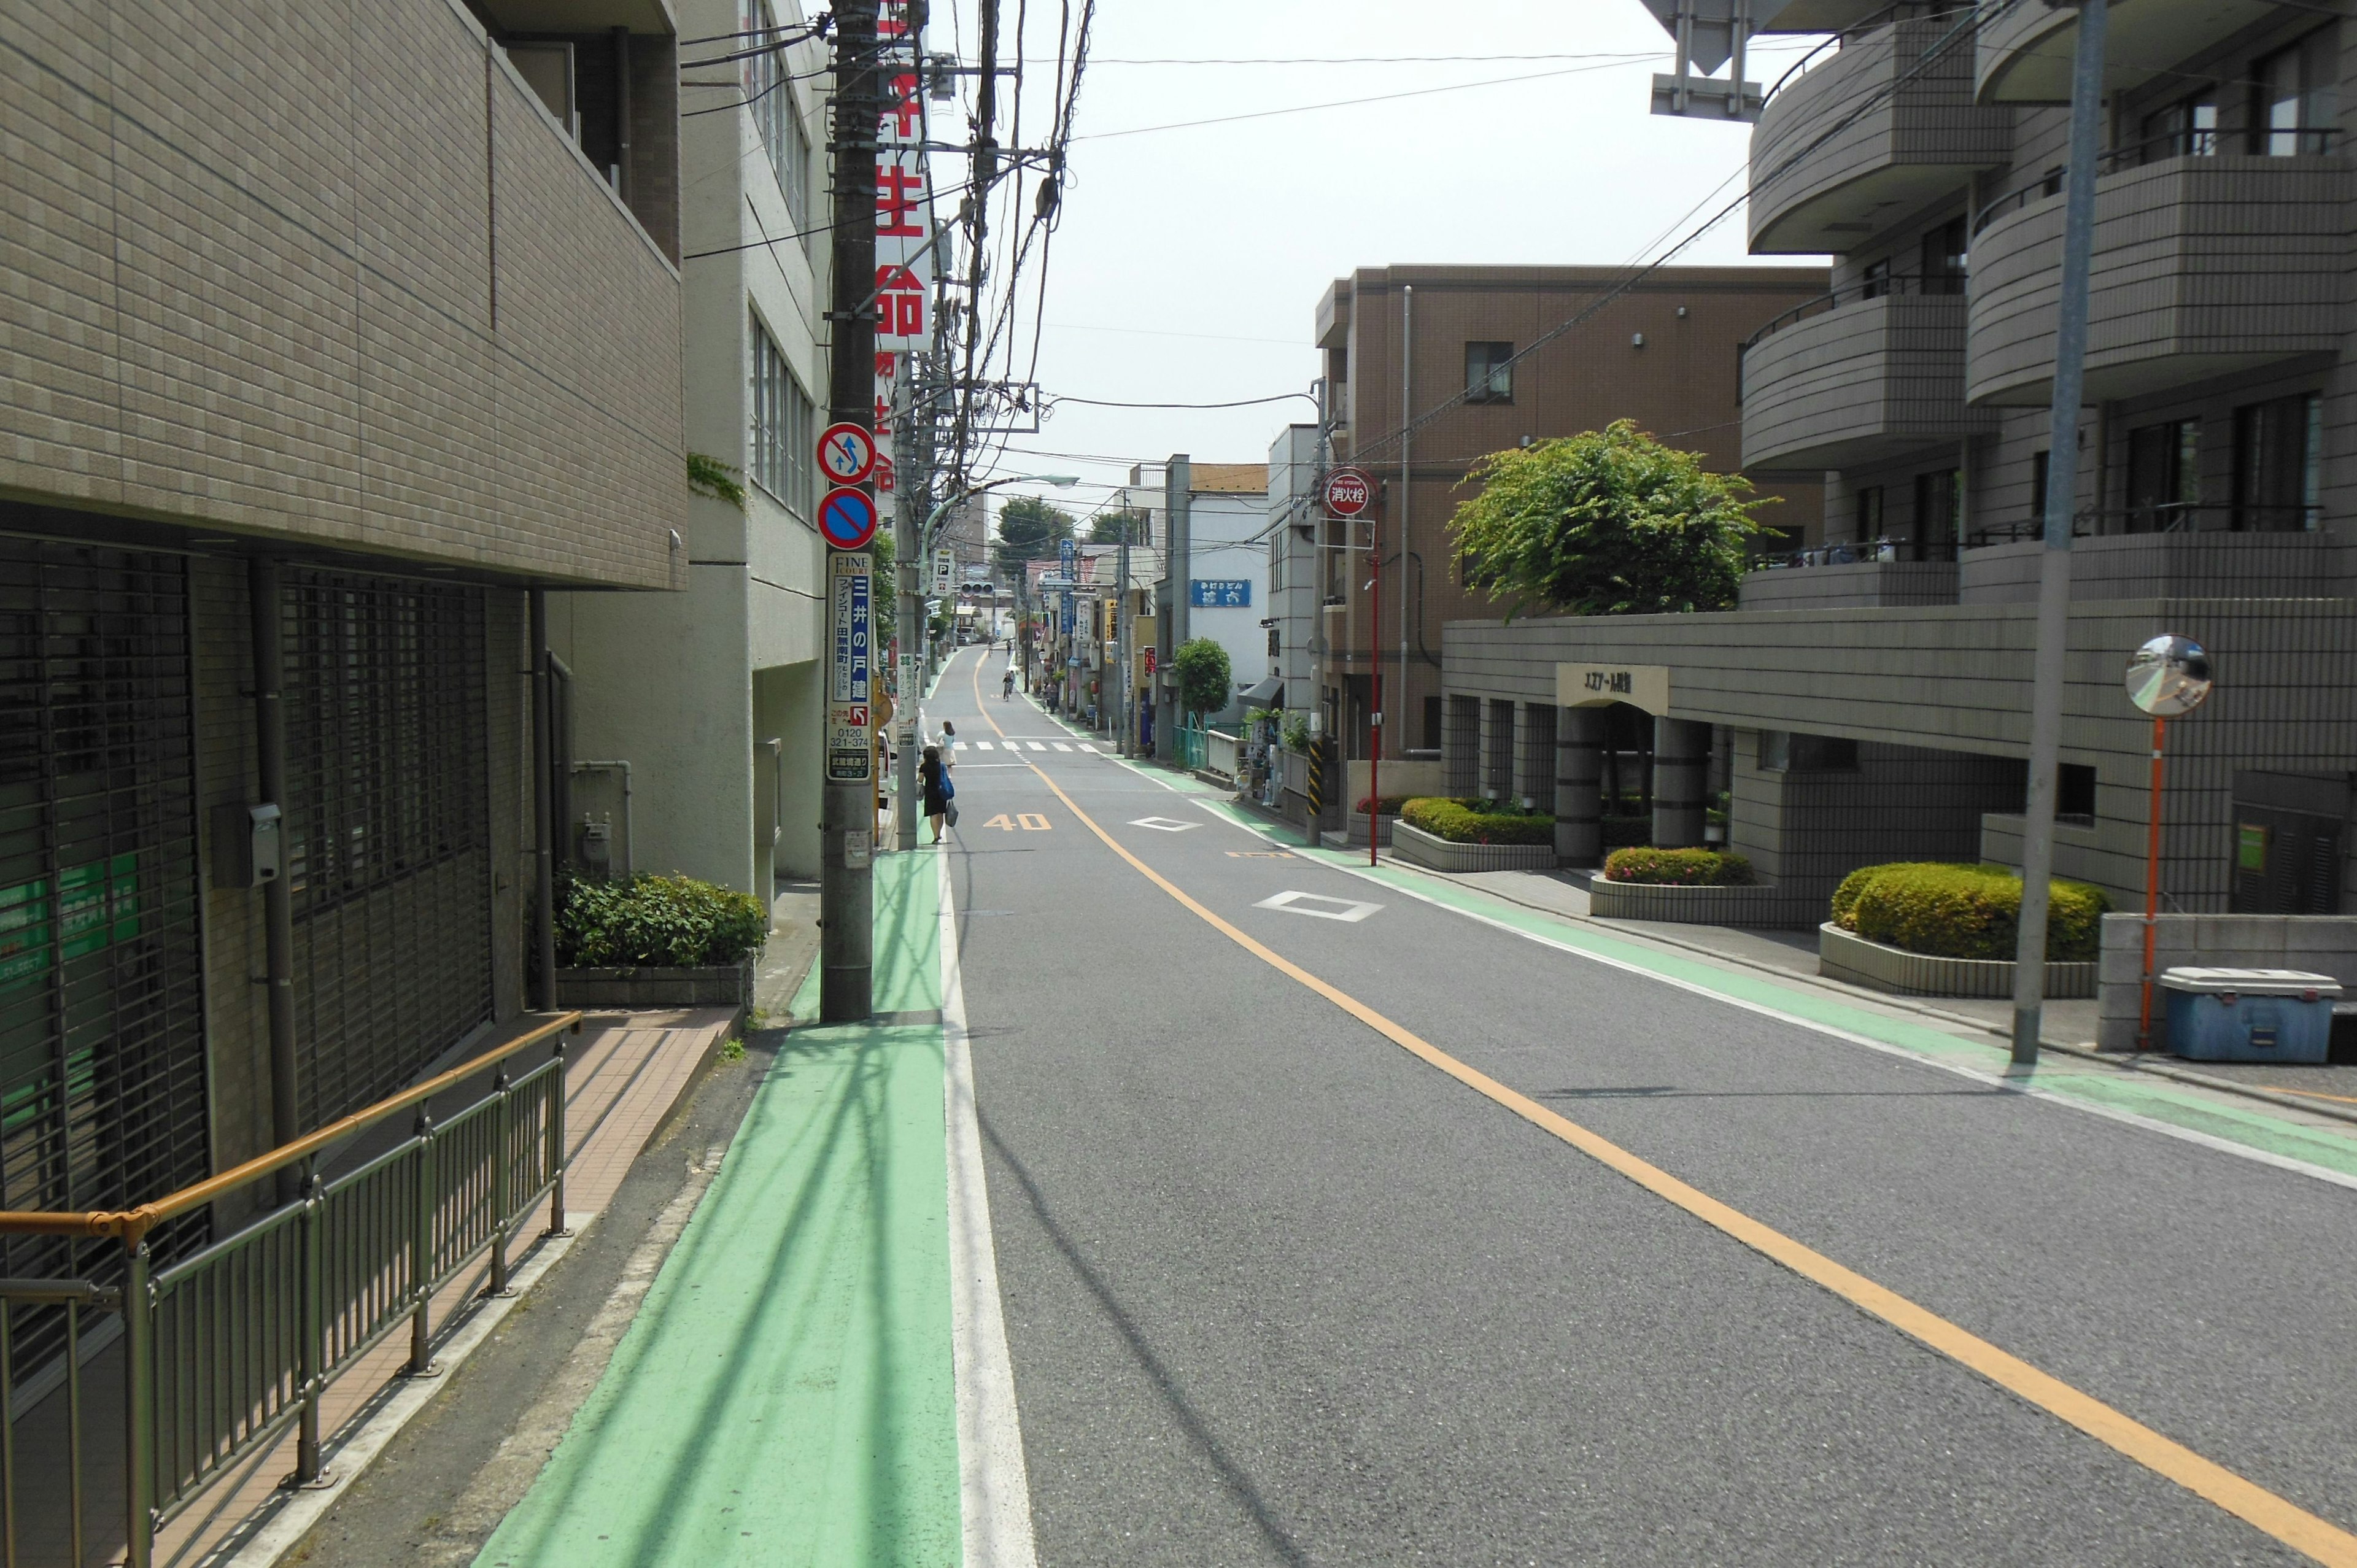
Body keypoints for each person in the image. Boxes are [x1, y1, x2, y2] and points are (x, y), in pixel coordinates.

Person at [919, 744, 952, 843]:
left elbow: (920, 780)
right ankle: (939, 833)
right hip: (941, 791)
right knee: (940, 813)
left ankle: (936, 835)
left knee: (933, 814)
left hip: (930, 792)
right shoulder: (941, 766)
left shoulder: (924, 766)